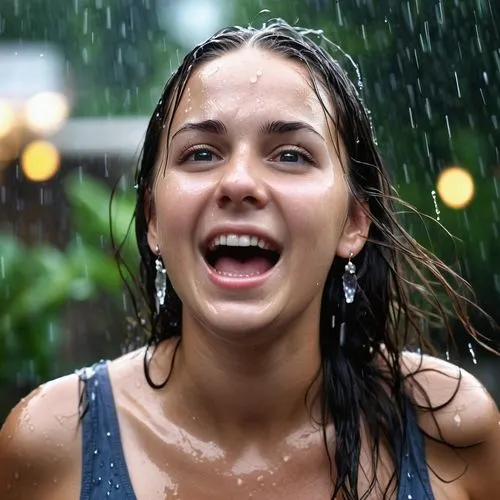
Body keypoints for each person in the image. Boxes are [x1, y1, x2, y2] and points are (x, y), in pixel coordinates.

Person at [0, 19, 498, 500]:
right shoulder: (53, 440)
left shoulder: (448, 427)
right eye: (201, 153)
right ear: (152, 218)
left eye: (290, 155)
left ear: (352, 222)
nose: (238, 182)